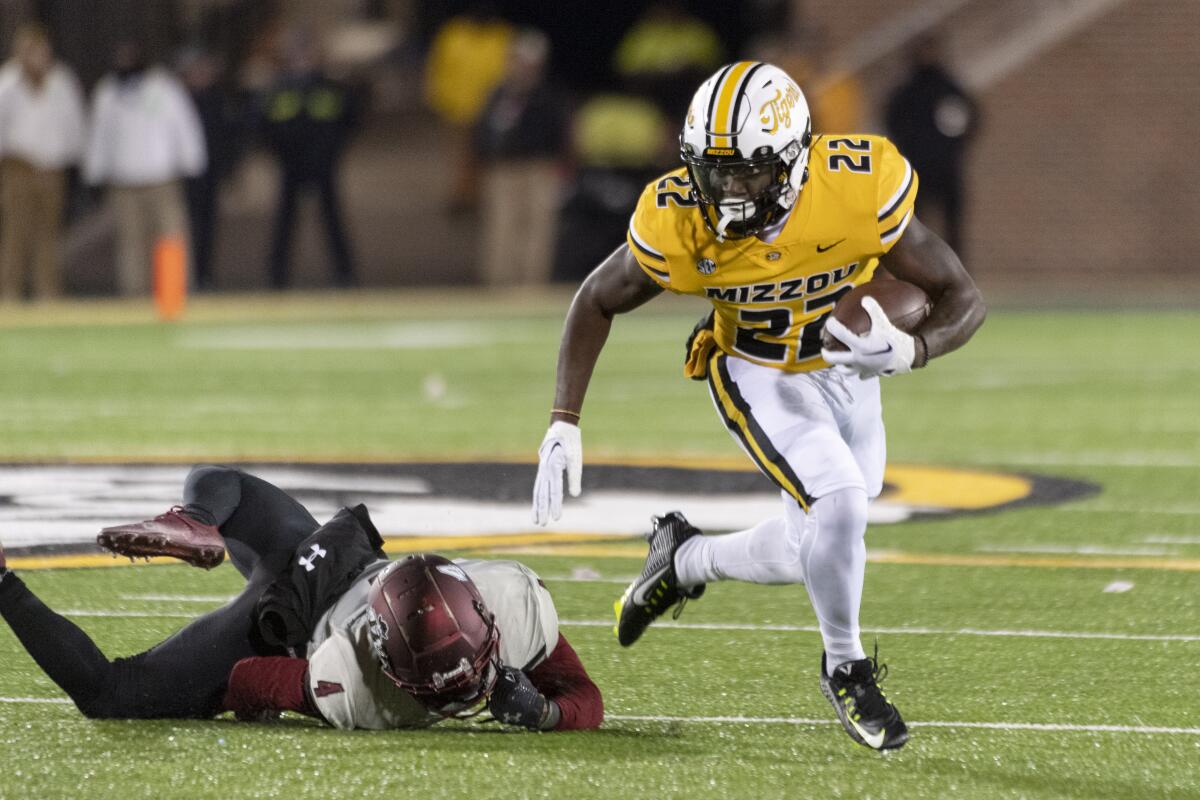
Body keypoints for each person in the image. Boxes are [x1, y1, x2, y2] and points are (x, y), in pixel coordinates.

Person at [531, 61, 985, 751]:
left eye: (746, 173)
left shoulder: (858, 187)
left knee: (819, 545)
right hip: (757, 371)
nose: (728, 193)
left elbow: (963, 297)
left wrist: (914, 352)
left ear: (794, 161)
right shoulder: (680, 218)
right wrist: (563, 421)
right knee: (839, 505)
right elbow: (597, 297)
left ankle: (683, 560)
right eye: (713, 173)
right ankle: (847, 668)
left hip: (846, 372)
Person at [0, 466, 603, 731]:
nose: (462, 693)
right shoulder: (363, 692)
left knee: (222, 480)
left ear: (481, 608)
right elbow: (249, 677)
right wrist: (254, 703)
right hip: (292, 614)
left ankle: (196, 519)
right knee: (112, 693)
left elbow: (581, 698)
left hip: (334, 552)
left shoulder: (513, 599)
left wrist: (547, 712)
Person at [83, 41, 207, 296]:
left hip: (161, 180)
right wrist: (94, 171)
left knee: (171, 238)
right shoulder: (108, 92)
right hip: (125, 182)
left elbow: (184, 125)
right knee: (131, 245)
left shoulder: (163, 88)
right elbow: (99, 134)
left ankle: (174, 294)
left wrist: (193, 161)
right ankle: (134, 298)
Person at [259, 29, 360, 290]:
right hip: (290, 164)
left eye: (307, 52)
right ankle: (277, 277)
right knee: (285, 221)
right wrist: (278, 152)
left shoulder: (330, 87)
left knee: (331, 219)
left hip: (323, 163)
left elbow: (350, 120)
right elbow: (262, 124)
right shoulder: (278, 88)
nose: (302, 59)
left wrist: (333, 150)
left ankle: (345, 274)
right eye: (297, 53)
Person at [474, 29, 569, 286]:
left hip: (539, 168)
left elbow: (560, 135)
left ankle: (532, 288)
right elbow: (482, 131)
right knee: (502, 228)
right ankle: (500, 286)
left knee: (538, 230)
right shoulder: (498, 95)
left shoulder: (547, 97)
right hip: (504, 169)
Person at [0, 23, 87, 301]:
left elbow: (75, 124)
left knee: (48, 234)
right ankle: (9, 293)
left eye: (42, 51)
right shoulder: (7, 84)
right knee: (16, 233)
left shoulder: (62, 82)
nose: (37, 57)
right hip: (18, 168)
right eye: (31, 51)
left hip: (52, 168)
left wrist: (76, 159)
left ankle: (48, 293)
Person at [884, 34, 980, 260]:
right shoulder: (906, 92)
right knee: (911, 226)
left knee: (953, 227)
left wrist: (951, 148)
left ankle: (958, 272)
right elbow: (893, 121)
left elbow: (972, 120)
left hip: (947, 169)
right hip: (915, 169)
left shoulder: (950, 88)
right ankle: (915, 271)